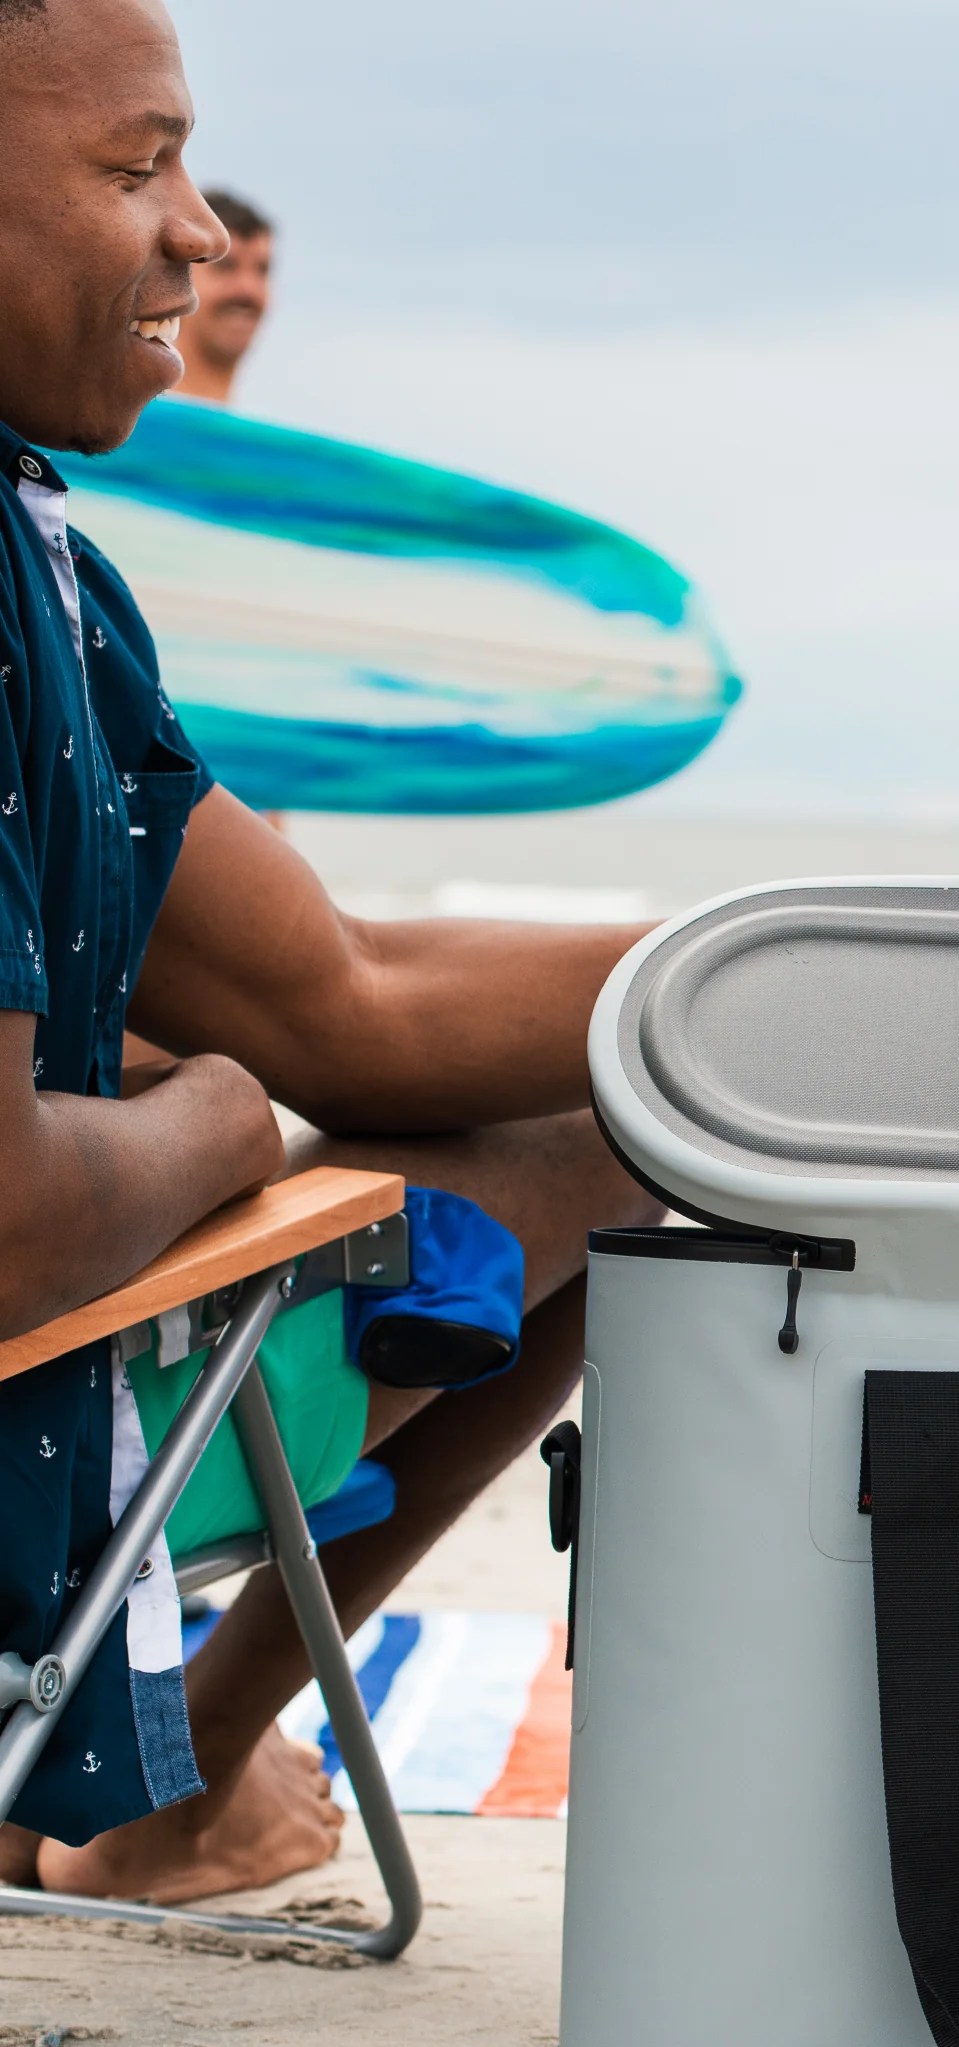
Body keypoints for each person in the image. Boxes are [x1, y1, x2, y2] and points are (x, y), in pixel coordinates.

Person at [0, 0, 663, 1905]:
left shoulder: (49, 575)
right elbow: (13, 1226)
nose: (199, 231)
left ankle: (156, 1782)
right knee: (606, 1154)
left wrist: (776, 974)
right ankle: (169, 1787)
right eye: (138, 167)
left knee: (632, 1096)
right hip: (28, 1441)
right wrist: (216, 1117)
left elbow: (352, 998)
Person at [172, 187, 269, 405]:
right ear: (175, 277)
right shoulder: (127, 420)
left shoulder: (255, 423)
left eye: (263, 269)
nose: (248, 289)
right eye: (226, 266)